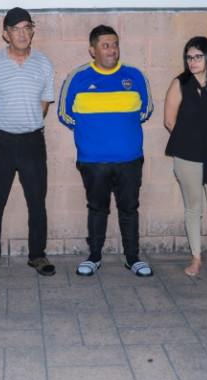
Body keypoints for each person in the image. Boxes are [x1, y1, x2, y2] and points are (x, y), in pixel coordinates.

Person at [58, 25, 154, 277]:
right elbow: (65, 114)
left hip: (129, 159)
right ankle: (94, 256)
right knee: (97, 208)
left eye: (115, 44)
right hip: (93, 161)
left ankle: (132, 258)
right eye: (105, 45)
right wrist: (94, 137)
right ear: (93, 50)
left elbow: (146, 111)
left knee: (129, 208)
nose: (112, 49)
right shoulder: (77, 78)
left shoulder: (135, 76)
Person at [0, 7, 55, 279]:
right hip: (0, 141)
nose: (21, 34)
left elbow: (44, 103)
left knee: (37, 202)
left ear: (32, 31)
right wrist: (7, 125)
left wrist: (27, 122)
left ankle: (37, 255)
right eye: (15, 29)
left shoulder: (44, 64)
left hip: (33, 141)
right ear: (5, 34)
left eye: (26, 27)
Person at [164, 37, 207, 278]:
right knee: (194, 208)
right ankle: (196, 258)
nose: (192, 61)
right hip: (188, 156)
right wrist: (191, 141)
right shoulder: (179, 83)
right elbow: (169, 121)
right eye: (188, 57)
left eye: (197, 56)